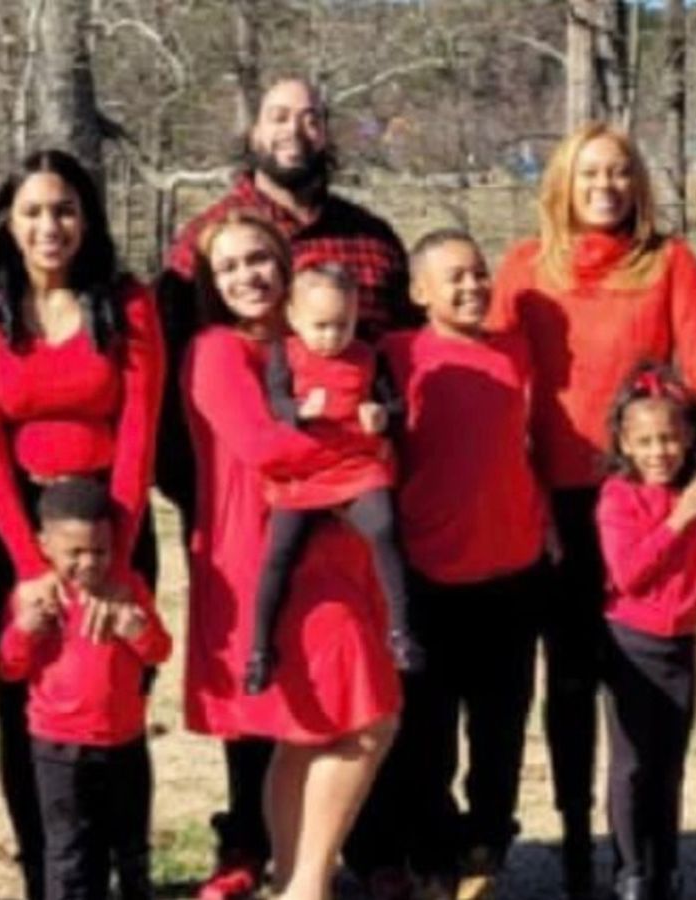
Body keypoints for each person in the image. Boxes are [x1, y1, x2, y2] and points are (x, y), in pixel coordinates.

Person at [154, 76, 414, 898]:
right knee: (367, 716)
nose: (248, 276)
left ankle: (297, 879)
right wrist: (364, 457)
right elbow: (269, 449)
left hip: (330, 544)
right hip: (266, 548)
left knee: (311, 725)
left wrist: (375, 433)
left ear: (287, 265)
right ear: (210, 277)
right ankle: (305, 884)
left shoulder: (299, 351)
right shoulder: (217, 352)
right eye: (229, 266)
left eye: (261, 260)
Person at [488, 121, 696, 898]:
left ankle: (646, 859)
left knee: (647, 687)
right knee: (568, 682)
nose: (606, 186)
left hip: (642, 496)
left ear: (639, 183)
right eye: (590, 172)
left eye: (620, 172)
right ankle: (574, 843)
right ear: (564, 182)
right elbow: (496, 377)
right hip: (557, 503)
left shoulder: (669, 263)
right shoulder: (527, 267)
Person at [0, 149, 165, 899]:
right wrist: (30, 566)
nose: (50, 226)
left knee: (118, 693)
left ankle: (121, 867)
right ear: (7, 222)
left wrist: (116, 562)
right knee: (28, 704)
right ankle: (50, 873)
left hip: (113, 519)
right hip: (16, 526)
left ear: (88, 219)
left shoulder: (127, 303)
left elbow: (139, 433)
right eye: (33, 211)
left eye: (65, 210)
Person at [377, 229, 549, 900]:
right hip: (428, 577)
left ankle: (487, 846)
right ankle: (433, 855)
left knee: (501, 727)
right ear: (420, 292)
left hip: (513, 572)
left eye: (480, 273)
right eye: (456, 277)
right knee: (428, 735)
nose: (474, 286)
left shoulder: (515, 351)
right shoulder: (397, 356)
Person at [596, 363, 696, 900]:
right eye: (646, 442)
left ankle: (666, 867)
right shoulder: (619, 496)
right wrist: (680, 518)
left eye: (670, 439)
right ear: (625, 445)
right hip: (631, 644)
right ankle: (631, 870)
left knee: (669, 764)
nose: (660, 452)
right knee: (632, 764)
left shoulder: (695, 496)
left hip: (682, 643)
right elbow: (629, 573)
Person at [247, 261, 420, 694]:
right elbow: (274, 401)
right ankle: (261, 648)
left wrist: (382, 415)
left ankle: (400, 630)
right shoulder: (285, 353)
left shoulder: (367, 356)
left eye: (343, 325)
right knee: (280, 553)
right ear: (293, 317)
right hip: (304, 471)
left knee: (384, 527)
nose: (332, 336)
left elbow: (396, 406)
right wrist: (298, 411)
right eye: (321, 326)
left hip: (355, 466)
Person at [0, 478, 172, 900]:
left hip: (125, 742)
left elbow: (160, 651)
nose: (89, 563)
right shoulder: (34, 597)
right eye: (74, 552)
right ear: (45, 545)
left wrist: (137, 630)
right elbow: (8, 668)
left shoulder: (127, 590)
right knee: (70, 853)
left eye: (100, 551)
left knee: (131, 847)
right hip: (59, 749)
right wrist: (24, 631)